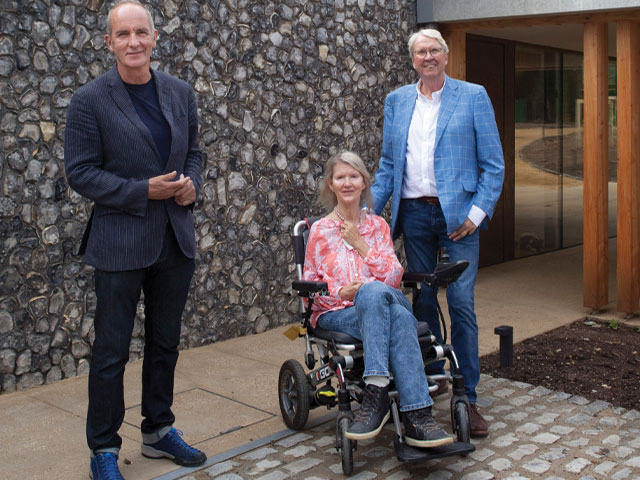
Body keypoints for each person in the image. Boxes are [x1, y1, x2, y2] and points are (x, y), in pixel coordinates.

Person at [64, 1, 205, 478]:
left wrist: (190, 184)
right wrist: (141, 191)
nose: (133, 42)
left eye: (140, 32)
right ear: (109, 42)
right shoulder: (89, 100)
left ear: (155, 37)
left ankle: (158, 431)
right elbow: (80, 172)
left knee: (165, 343)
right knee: (111, 352)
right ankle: (103, 448)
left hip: (173, 238)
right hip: (120, 242)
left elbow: (197, 153)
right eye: (122, 34)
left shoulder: (180, 92)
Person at [370, 29, 505, 438]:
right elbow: (388, 167)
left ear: (445, 56)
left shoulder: (473, 96)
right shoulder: (397, 101)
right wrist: (363, 217)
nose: (427, 57)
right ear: (412, 60)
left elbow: (493, 165)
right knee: (423, 302)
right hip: (413, 216)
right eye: (420, 52)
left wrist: (477, 214)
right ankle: (431, 381)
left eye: (433, 51)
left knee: (461, 304)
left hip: (460, 221)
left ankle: (470, 397)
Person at [303, 151, 453, 448]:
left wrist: (361, 245)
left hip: (379, 304)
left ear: (364, 184)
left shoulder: (378, 227)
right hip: (339, 313)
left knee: (373, 293)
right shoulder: (319, 231)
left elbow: (395, 278)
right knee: (397, 316)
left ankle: (376, 394)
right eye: (340, 177)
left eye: (353, 176)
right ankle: (419, 417)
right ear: (331, 185)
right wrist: (339, 292)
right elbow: (310, 288)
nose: (347, 183)